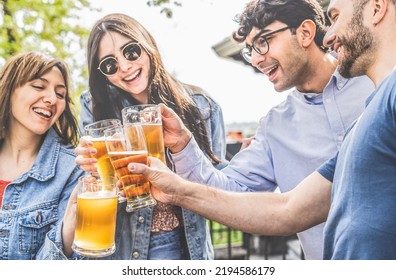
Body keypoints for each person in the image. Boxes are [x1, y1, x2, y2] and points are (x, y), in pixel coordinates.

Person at [128, 0, 396, 260]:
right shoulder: (274, 126)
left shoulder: (379, 81)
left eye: (263, 42)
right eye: (250, 50)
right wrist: (183, 146)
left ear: (304, 33)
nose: (256, 59)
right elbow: (234, 194)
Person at [69, 13, 227, 260]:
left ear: (148, 45)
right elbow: (101, 184)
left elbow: (218, 185)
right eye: (110, 64)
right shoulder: (95, 105)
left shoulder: (202, 107)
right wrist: (89, 166)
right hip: (122, 247)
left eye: (131, 52)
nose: (125, 67)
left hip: (184, 245)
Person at [0, 51, 84, 259]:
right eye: (38, 86)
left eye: (60, 94)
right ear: (9, 89)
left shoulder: (73, 170)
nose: (51, 99)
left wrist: (66, 235)